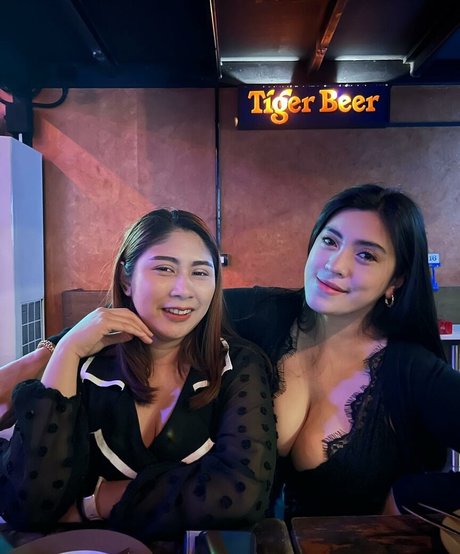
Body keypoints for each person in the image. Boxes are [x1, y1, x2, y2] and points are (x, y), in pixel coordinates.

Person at [2, 184, 460, 519]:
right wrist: (52, 353)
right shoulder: (263, 312)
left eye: (366, 255)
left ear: (397, 280)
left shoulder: (412, 371)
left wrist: (415, 495)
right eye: (330, 240)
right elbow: (146, 313)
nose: (336, 265)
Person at [0, 209, 276, 542]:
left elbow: (241, 496)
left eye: (200, 272)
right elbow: (27, 506)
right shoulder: (86, 365)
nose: (183, 289)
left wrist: (96, 501)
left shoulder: (238, 364)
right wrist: (67, 350)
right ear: (126, 280)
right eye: (164, 269)